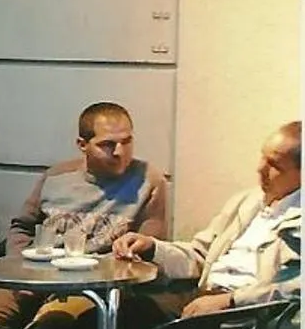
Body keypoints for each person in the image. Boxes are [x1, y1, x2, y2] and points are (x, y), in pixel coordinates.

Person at [0, 103, 170, 329]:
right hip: (35, 276)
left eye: (126, 142)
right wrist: (20, 269)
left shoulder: (148, 181)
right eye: (107, 144)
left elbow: (146, 247)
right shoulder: (57, 177)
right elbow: (22, 226)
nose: (119, 152)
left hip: (89, 287)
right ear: (82, 145)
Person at [115, 121, 301, 317]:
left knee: (141, 325)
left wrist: (231, 300)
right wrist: (152, 248)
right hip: (205, 293)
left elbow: (294, 286)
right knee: (118, 313)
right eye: (263, 157)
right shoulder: (247, 202)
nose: (260, 168)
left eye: (274, 165)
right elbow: (200, 255)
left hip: (247, 310)